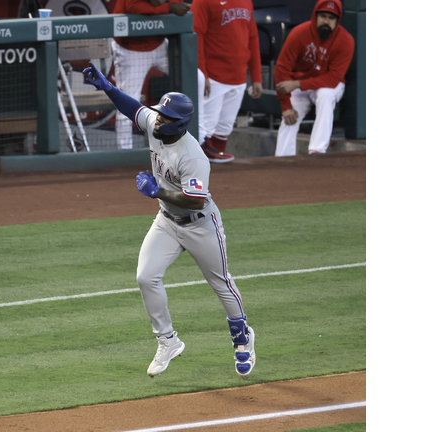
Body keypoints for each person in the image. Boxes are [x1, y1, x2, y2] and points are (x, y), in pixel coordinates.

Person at [83, 61, 255, 378]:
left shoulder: (193, 156)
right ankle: (168, 341)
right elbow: (133, 109)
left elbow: (195, 200)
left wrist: (157, 192)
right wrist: (108, 87)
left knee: (221, 284)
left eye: (166, 118)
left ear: (181, 123)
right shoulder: (156, 124)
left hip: (201, 224)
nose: (158, 120)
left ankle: (243, 339)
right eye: (159, 115)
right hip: (167, 222)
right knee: (146, 277)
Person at [273, 0, 354, 157]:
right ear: (315, 16)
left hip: (327, 84)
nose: (326, 21)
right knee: (289, 117)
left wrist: (297, 83)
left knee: (325, 94)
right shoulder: (299, 33)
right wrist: (286, 106)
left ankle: (317, 152)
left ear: (337, 20)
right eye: (323, 16)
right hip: (300, 86)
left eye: (331, 18)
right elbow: (282, 68)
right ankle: (282, 160)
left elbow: (333, 78)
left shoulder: (345, 40)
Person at [110, 0, 191, 150]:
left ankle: (200, 139)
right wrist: (168, 7)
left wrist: (172, 5)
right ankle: (124, 153)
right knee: (128, 103)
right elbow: (133, 6)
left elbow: (177, 4)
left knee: (195, 79)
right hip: (131, 46)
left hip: (158, 43)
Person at [191, 0, 263, 163]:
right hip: (214, 77)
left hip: (238, 76)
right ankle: (193, 175)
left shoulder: (246, 2)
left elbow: (252, 38)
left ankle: (215, 177)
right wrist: (203, 74)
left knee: (224, 129)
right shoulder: (203, 2)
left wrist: (256, 77)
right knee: (205, 132)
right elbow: (196, 36)